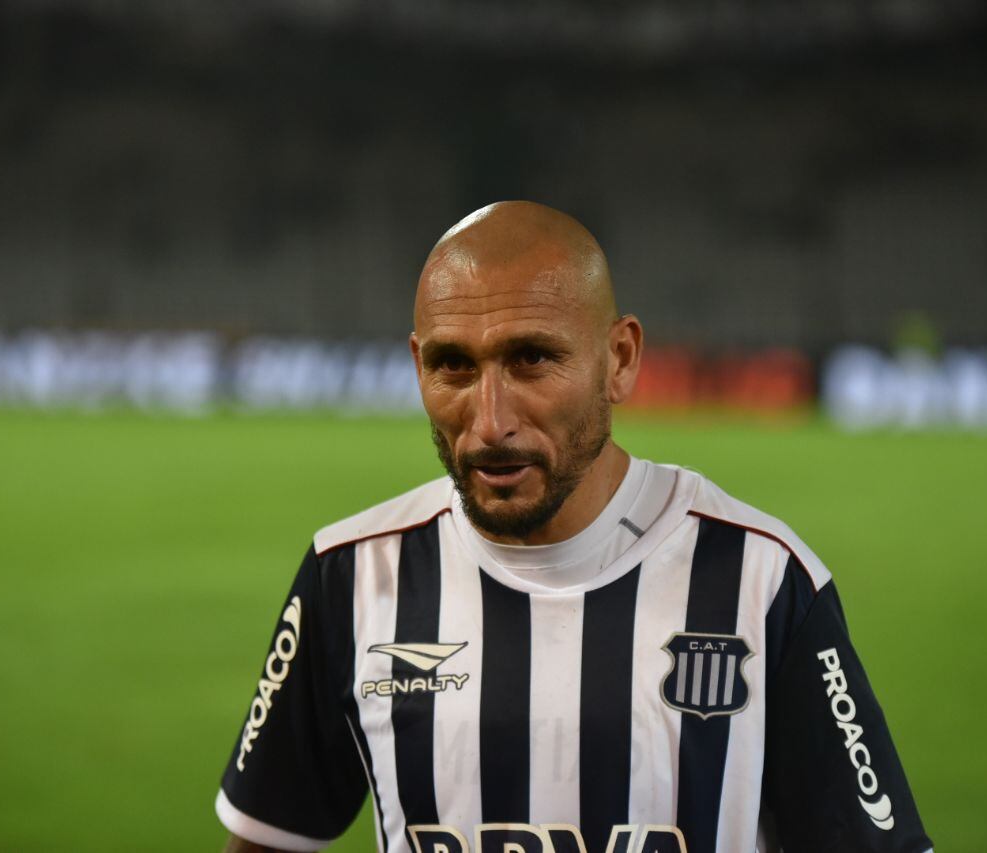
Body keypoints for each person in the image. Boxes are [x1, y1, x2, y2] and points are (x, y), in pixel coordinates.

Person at [215, 201, 933, 853]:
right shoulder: (351, 575)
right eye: (454, 366)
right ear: (416, 364)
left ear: (618, 359)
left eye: (532, 359)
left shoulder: (763, 580)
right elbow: (268, 839)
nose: (490, 420)